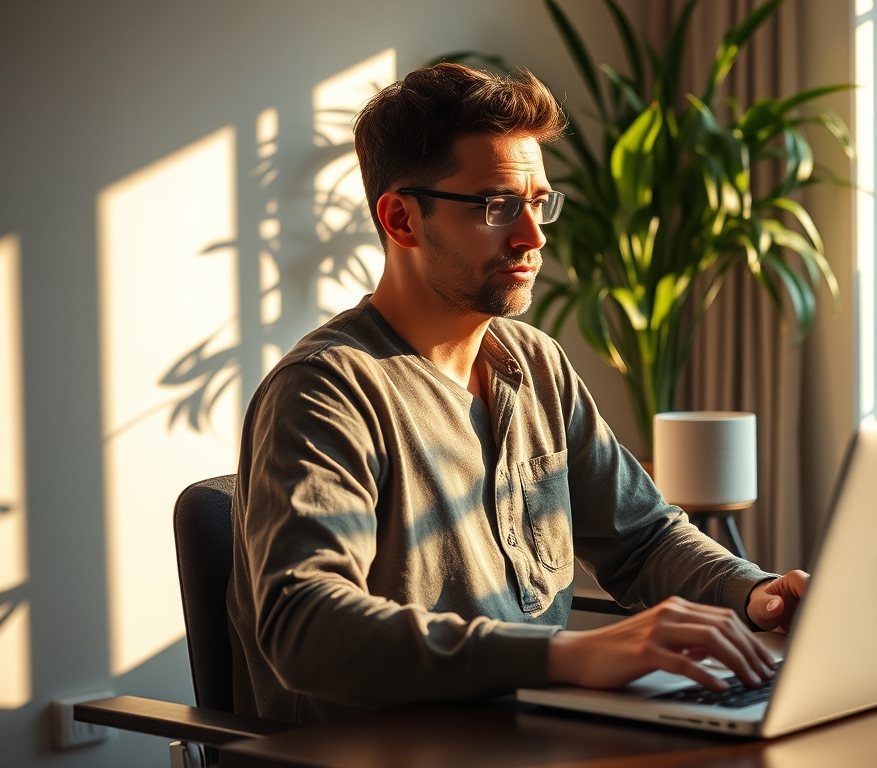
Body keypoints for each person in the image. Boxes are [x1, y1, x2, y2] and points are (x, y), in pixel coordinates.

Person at [226, 62, 809, 724]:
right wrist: (564, 657)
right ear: (402, 218)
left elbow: (641, 537)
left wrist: (754, 591)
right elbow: (305, 627)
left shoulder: (535, 364)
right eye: (498, 206)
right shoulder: (325, 391)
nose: (533, 237)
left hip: (533, 733)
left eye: (538, 204)